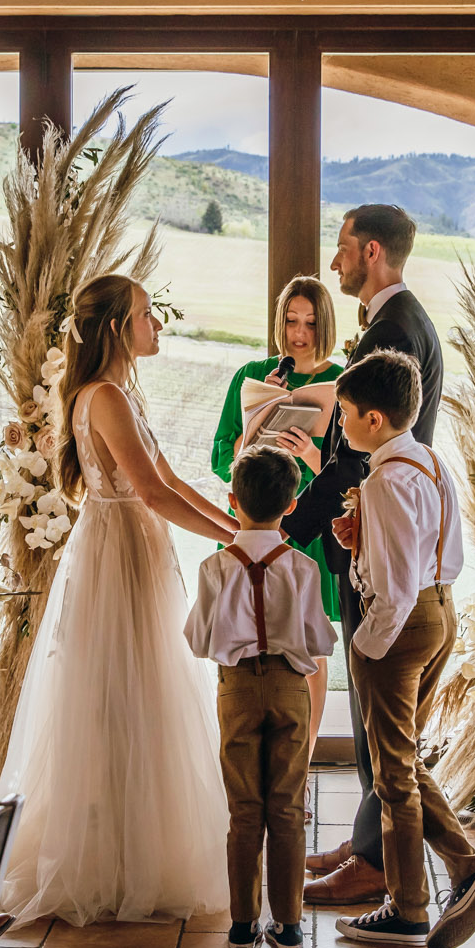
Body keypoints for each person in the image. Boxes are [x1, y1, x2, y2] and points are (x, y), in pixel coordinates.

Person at [0, 272, 238, 926]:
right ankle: (115, 857)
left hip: (131, 546)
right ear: (115, 328)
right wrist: (239, 537)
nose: (156, 324)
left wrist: (239, 532)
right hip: (119, 551)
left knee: (142, 691)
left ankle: (138, 844)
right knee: (122, 693)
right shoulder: (104, 397)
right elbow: (153, 493)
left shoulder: (117, 393)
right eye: (145, 314)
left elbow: (170, 479)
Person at [283, 205, 445, 909]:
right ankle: (364, 839)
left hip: (377, 537)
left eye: (343, 247)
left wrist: (293, 524)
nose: (334, 260)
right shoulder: (404, 321)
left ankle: (379, 864)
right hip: (376, 531)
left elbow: (357, 452)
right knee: (379, 725)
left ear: (372, 249)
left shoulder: (393, 330)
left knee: (382, 718)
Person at [327, 350, 475, 948]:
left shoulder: (384, 480)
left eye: (346, 413)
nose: (340, 422)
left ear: (375, 419)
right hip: (439, 612)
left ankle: (407, 908)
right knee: (401, 758)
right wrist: (361, 540)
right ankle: (466, 871)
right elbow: (428, 549)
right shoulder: (427, 462)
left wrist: (366, 643)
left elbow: (396, 586)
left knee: (392, 771)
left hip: (401, 629)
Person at [185, 446, 337, 948]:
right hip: (292, 687)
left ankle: (243, 926)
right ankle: (289, 927)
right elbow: (319, 639)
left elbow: (197, 639)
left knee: (244, 808)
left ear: (232, 502)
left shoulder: (213, 567)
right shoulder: (301, 566)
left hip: (237, 689)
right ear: (292, 504)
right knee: (288, 807)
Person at [211, 274, 347, 734]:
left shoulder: (341, 382)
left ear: (324, 324)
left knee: (307, 651)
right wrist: (257, 426)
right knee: (241, 647)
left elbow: (347, 469)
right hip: (251, 524)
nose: (300, 334)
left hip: (304, 530)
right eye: (291, 321)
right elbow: (218, 454)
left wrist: (307, 452)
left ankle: (302, 761)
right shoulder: (250, 375)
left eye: (310, 322)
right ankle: (247, 755)